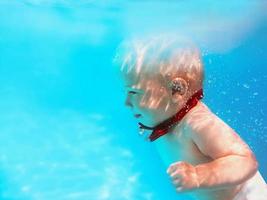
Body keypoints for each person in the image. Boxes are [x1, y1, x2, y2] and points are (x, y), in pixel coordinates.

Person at [114, 35, 267, 200]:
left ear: (176, 90)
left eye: (134, 93)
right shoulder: (165, 120)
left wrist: (198, 175)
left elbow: (245, 161)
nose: (126, 103)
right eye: (125, 92)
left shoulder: (198, 124)